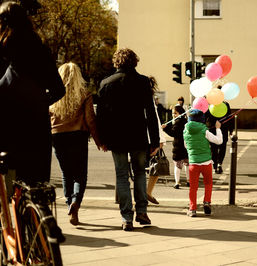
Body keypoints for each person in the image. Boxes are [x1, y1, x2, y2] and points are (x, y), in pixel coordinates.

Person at [0, 1, 65, 186]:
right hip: (37, 128)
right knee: (36, 187)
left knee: (8, 187)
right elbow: (59, 89)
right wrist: (40, 102)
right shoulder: (40, 49)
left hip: (7, 127)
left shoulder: (3, 49)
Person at [96, 48, 160, 231]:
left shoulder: (106, 83)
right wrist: (154, 141)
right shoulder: (143, 82)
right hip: (138, 136)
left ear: (116, 62)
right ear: (135, 62)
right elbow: (150, 114)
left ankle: (126, 217)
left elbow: (101, 116)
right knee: (140, 172)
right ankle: (142, 211)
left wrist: (102, 139)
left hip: (116, 138)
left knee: (121, 175)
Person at [49, 62, 102, 225]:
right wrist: (99, 140)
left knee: (66, 173)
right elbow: (90, 120)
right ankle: (75, 203)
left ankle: (68, 202)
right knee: (80, 174)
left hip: (57, 136)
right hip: (78, 136)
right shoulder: (84, 94)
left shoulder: (53, 94)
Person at [183, 109, 222, 217]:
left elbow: (186, 146)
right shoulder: (204, 130)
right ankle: (207, 202)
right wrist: (218, 129)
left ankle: (192, 209)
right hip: (206, 162)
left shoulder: (185, 130)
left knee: (193, 187)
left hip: (193, 163)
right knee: (208, 184)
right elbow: (219, 141)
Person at [146, 77, 167, 205]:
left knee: (142, 168)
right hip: (151, 139)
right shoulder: (150, 100)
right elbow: (155, 122)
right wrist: (160, 140)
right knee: (156, 167)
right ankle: (147, 192)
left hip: (138, 139)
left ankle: (145, 193)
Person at [162, 105, 189, 189]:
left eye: (175, 113)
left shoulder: (178, 122)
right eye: (172, 113)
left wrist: (165, 128)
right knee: (187, 164)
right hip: (186, 146)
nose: (173, 115)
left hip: (178, 146)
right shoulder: (186, 121)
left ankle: (177, 182)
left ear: (180, 113)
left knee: (177, 165)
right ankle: (189, 181)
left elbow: (173, 133)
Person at [205, 100, 234, 174]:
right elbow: (230, 117)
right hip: (214, 128)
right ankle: (217, 164)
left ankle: (217, 165)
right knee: (218, 148)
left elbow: (229, 117)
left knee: (216, 148)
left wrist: (231, 130)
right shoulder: (210, 104)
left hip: (219, 129)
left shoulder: (225, 104)